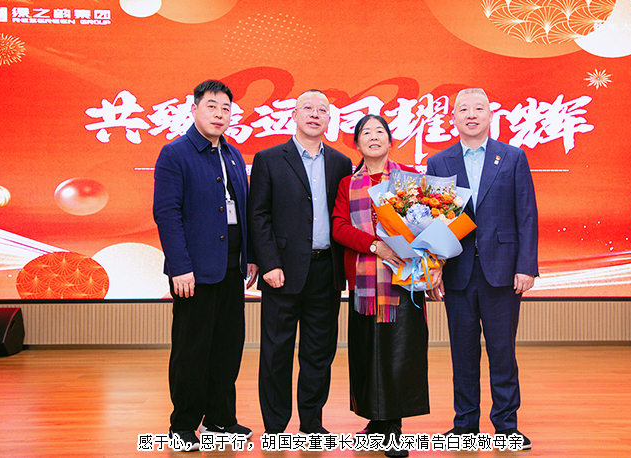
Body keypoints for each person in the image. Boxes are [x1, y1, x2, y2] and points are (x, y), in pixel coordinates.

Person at [426, 88, 538, 450]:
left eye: (478, 108)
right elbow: (432, 221)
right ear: (453, 119)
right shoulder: (438, 162)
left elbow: (527, 214)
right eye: (463, 109)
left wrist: (526, 266)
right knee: (463, 352)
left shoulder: (513, 157)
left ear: (491, 115)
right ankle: (465, 427)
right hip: (457, 271)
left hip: (502, 271)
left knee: (502, 352)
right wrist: (432, 269)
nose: (471, 115)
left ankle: (506, 428)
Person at [153, 79, 258, 452]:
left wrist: (251, 257)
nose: (220, 114)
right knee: (192, 350)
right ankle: (182, 426)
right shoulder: (175, 154)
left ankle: (220, 420)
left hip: (231, 269)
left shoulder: (233, 155)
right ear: (194, 109)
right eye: (212, 106)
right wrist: (180, 266)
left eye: (226, 108)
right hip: (194, 272)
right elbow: (167, 213)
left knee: (227, 347)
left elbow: (244, 209)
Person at [332, 115, 438, 457]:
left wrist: (433, 263)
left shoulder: (410, 178)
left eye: (380, 131)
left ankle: (393, 426)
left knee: (399, 353)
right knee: (367, 351)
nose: (373, 137)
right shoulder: (348, 184)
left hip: (404, 281)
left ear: (390, 140)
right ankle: (375, 421)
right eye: (366, 132)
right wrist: (375, 245)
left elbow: (431, 225)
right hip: (364, 281)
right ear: (357, 143)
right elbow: (339, 227)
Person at [248, 89, 352, 435]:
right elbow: (258, 214)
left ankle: (312, 424)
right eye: (308, 107)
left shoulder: (340, 163)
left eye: (322, 110)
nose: (315, 114)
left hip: (326, 270)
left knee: (318, 353)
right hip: (281, 271)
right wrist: (269, 263)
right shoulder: (269, 159)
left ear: (329, 119)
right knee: (276, 353)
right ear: (294, 115)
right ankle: (275, 427)